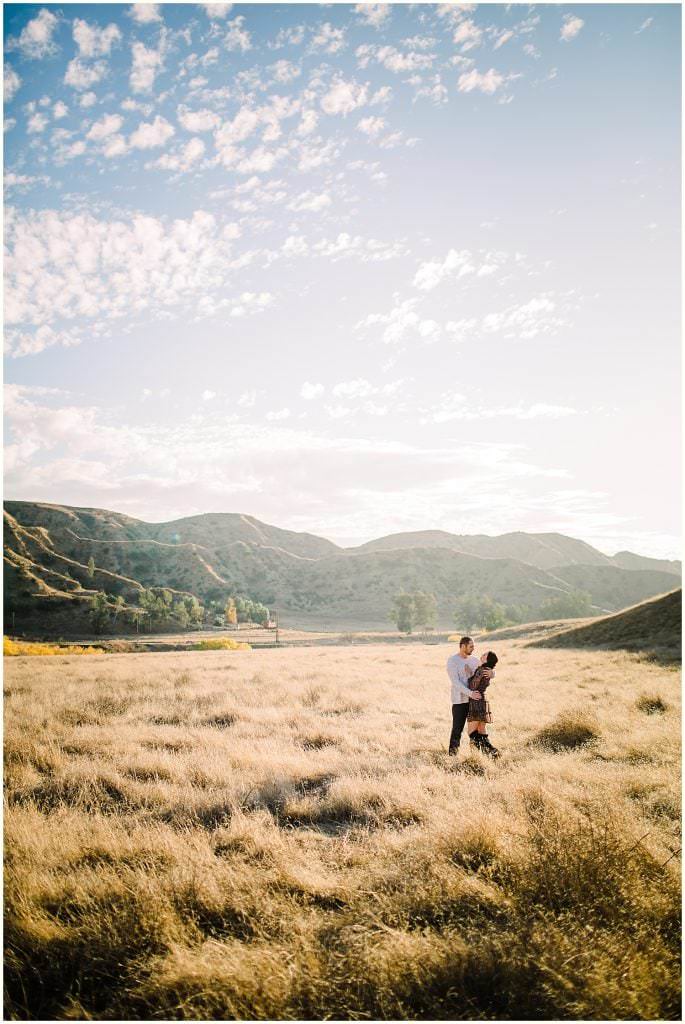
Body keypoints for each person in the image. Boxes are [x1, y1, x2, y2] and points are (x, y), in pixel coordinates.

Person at [446, 636, 492, 755]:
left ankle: (478, 755)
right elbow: (455, 682)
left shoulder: (474, 660)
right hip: (460, 701)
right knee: (457, 729)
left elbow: (486, 668)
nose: (473, 649)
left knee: (476, 730)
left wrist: (492, 673)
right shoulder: (452, 661)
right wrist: (470, 693)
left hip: (475, 702)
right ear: (462, 646)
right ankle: (452, 755)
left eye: (473, 646)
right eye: (471, 646)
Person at [467, 651, 499, 757]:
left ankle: (475, 757)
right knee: (481, 730)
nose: (483, 655)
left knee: (472, 733)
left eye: (485, 655)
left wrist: (467, 677)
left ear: (488, 660)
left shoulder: (481, 670)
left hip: (476, 701)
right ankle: (489, 754)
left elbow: (472, 686)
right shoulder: (487, 669)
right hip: (482, 700)